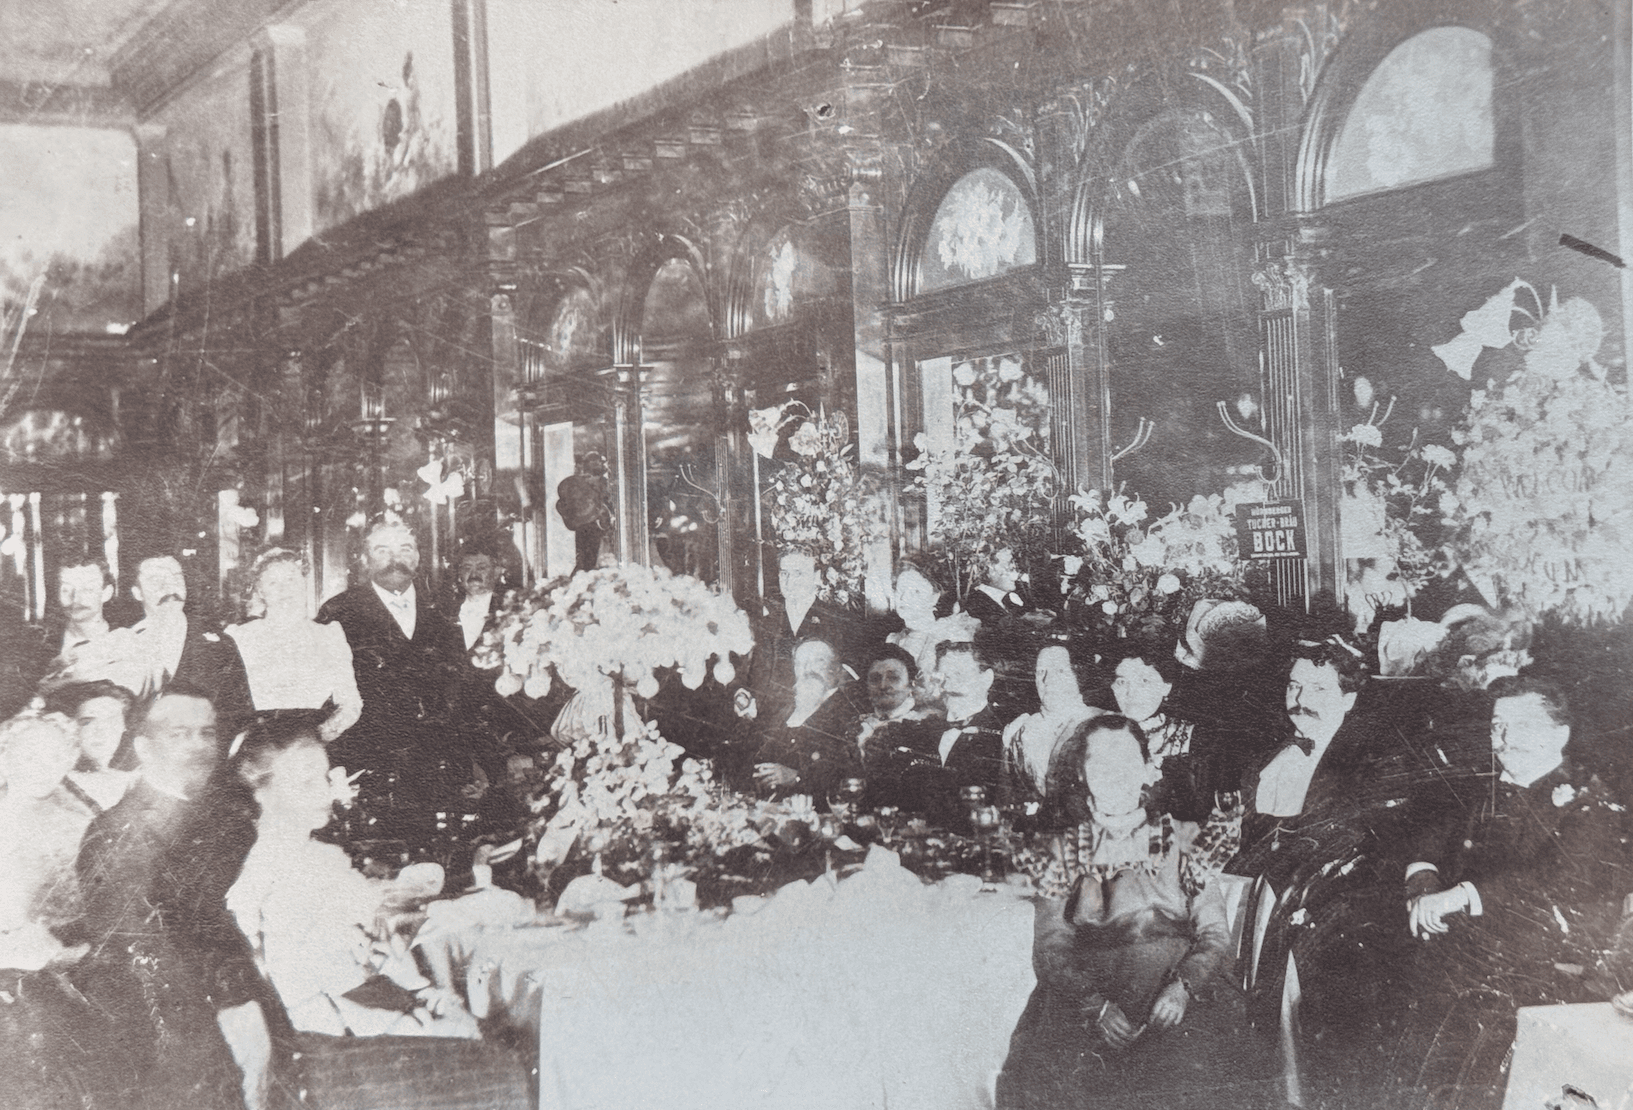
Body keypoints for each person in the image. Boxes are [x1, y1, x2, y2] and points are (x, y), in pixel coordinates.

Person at [996, 716, 1271, 1109]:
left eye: (1126, 760)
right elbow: (1051, 948)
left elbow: (1214, 934)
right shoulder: (1060, 851)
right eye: (1099, 761)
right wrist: (1098, 1008)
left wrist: (1183, 988)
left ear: (1147, 767)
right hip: (1091, 999)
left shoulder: (1186, 837)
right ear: (1081, 772)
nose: (1114, 773)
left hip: (1179, 998)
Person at [1391, 676, 1633, 1110]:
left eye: (1521, 726)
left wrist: (1459, 895)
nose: (1504, 740)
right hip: (1456, 966)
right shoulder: (1479, 785)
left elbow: (1556, 884)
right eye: (1497, 726)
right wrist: (1423, 885)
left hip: (1538, 978)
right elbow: (1427, 839)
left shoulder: (1590, 801)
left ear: (1560, 733)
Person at [73, 687, 277, 1110]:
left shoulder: (229, 820)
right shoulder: (118, 833)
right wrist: (234, 1005)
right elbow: (140, 952)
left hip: (242, 1004)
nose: (198, 746)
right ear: (143, 748)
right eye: (179, 734)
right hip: (170, 1031)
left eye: (207, 733)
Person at [224, 715, 475, 1039]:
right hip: (341, 1038)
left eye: (325, 779)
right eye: (306, 783)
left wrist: (423, 994)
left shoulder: (314, 856)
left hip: (365, 1011)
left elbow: (369, 951)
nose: (324, 794)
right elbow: (345, 985)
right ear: (260, 792)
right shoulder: (282, 873)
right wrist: (422, 1010)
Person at [316, 517, 465, 837]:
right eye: (382, 550)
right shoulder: (339, 612)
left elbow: (460, 686)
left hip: (433, 767)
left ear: (418, 558)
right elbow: (322, 696)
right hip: (365, 766)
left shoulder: (444, 611)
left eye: (405, 549)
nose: (395, 559)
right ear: (365, 560)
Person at [72, 554, 255, 742]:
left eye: (175, 577)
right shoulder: (118, 645)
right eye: (155, 580)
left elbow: (241, 720)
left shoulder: (219, 646)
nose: (168, 587)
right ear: (137, 592)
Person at [226, 549, 362, 743]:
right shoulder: (239, 636)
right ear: (261, 591)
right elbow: (228, 704)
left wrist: (326, 731)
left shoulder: (329, 635)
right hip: (257, 743)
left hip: (311, 743)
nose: (284, 589)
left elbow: (350, 701)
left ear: (304, 583)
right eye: (273, 582)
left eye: (291, 579)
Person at [898, 640, 1004, 831]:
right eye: (944, 677)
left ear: (986, 679)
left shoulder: (1002, 736)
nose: (949, 685)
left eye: (959, 675)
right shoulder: (923, 730)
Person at [753, 638, 861, 805]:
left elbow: (848, 775)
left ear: (835, 669)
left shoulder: (849, 713)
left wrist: (797, 777)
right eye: (800, 663)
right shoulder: (785, 711)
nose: (808, 669)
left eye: (818, 661)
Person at [1001, 642, 1100, 819]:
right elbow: (1008, 801)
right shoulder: (1021, 731)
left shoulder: (1100, 725)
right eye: (1041, 672)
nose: (1047, 680)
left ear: (1079, 675)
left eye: (1060, 671)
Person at [853, 644, 935, 811]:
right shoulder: (856, 726)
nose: (883, 685)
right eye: (875, 679)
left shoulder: (925, 725)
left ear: (911, 684)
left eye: (894, 678)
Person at [45, 679, 138, 812]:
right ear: (72, 727)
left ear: (124, 726)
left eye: (111, 721)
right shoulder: (55, 781)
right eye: (88, 722)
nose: (101, 731)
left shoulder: (133, 781)